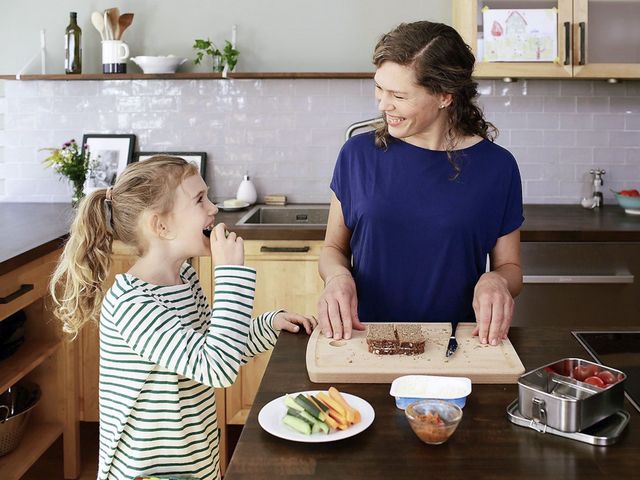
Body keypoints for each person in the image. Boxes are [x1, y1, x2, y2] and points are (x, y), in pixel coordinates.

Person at [49, 156, 316, 480]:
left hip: (195, 463)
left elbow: (214, 346)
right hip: (149, 474)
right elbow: (216, 367)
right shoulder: (132, 304)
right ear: (161, 225)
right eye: (200, 200)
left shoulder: (185, 279)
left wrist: (267, 325)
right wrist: (231, 274)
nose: (214, 209)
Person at [318, 21, 523, 346]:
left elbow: (510, 266)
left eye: (399, 95)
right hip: (364, 341)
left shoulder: (498, 167)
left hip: (458, 345)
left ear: (444, 96)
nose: (383, 105)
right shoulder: (356, 155)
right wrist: (337, 276)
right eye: (379, 88)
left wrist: (496, 280)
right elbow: (333, 249)